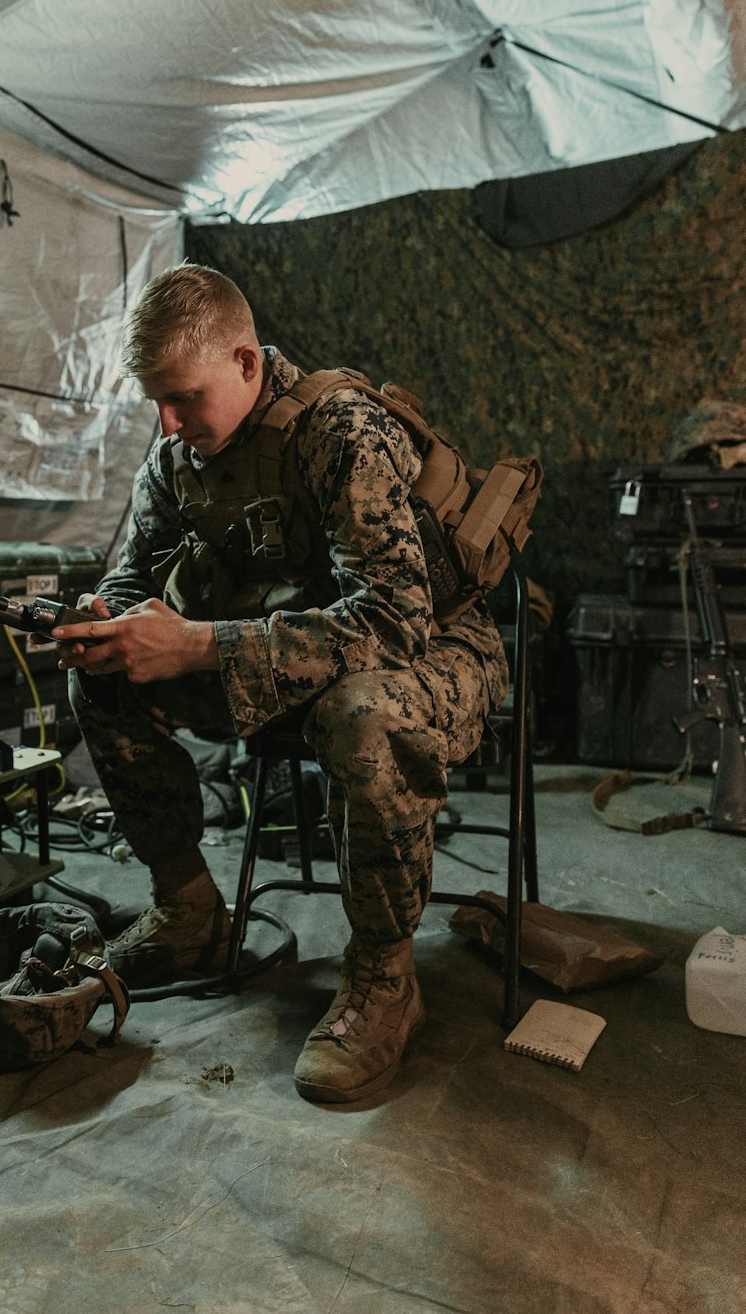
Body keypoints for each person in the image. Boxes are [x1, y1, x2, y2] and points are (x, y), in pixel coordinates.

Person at [50, 263, 508, 1105]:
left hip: (439, 651)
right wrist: (106, 625)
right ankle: (188, 911)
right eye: (155, 401)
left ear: (247, 362)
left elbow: (391, 623)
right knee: (104, 684)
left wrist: (195, 645)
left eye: (182, 396)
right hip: (290, 653)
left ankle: (384, 978)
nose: (169, 421)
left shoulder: (339, 430)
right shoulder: (176, 459)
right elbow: (128, 580)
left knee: (362, 716)